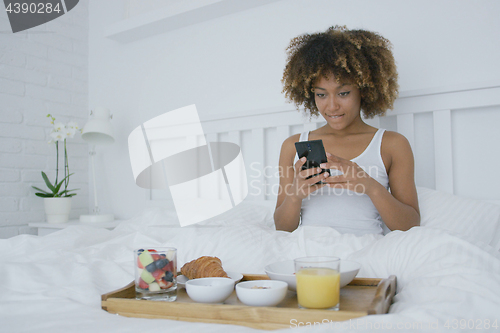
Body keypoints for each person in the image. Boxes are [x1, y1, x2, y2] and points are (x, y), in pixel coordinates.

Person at [274, 26, 420, 235]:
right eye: (321, 95)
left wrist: (370, 186)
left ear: (365, 89)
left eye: (343, 93)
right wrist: (295, 195)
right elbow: (281, 227)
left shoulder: (392, 144)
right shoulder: (292, 146)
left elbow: (411, 225)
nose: (332, 106)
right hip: (310, 254)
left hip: (365, 253)